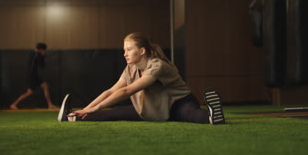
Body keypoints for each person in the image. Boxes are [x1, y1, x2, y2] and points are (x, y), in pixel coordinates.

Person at [58, 32, 225, 125]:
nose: (125, 54)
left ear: (142, 51)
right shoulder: (130, 68)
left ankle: (212, 116)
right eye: (124, 50)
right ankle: (71, 116)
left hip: (178, 103)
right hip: (153, 108)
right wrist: (87, 108)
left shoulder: (157, 65)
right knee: (111, 114)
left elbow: (127, 90)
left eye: (129, 49)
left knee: (190, 114)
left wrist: (96, 107)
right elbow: (111, 90)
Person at [10, 43, 58, 110]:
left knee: (44, 86)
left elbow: (41, 66)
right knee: (30, 92)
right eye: (44, 50)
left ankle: (50, 105)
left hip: (34, 76)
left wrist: (42, 57)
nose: (44, 51)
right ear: (41, 49)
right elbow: (39, 66)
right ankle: (14, 104)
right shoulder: (35, 54)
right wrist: (42, 57)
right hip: (32, 76)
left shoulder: (36, 54)